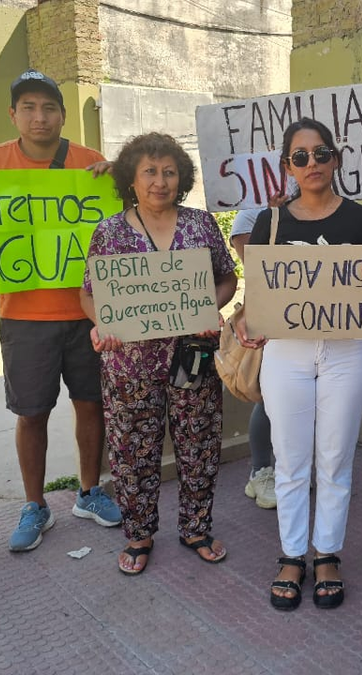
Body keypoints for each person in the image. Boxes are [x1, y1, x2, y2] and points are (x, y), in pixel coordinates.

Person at [0, 69, 122, 552]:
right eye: (29, 107)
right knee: (32, 413)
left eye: (48, 108)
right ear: (13, 114)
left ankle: (89, 491)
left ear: (64, 116)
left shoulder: (92, 164)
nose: (39, 116)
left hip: (89, 312)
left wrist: (118, 182)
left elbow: (122, 224)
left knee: (92, 405)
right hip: (24, 317)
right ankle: (34, 505)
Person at [237, 118, 362, 610]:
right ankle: (292, 554)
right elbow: (257, 296)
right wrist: (245, 318)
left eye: (321, 153)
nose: (312, 164)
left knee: (336, 459)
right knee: (291, 458)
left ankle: (328, 555)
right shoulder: (270, 222)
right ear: (287, 166)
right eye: (300, 157)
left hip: (345, 349)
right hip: (287, 351)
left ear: (336, 159)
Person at [79, 132, 238, 574]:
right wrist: (102, 324)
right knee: (133, 452)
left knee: (199, 446)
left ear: (181, 178)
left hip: (193, 358)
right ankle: (139, 534)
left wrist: (213, 306)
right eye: (149, 171)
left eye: (169, 172)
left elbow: (226, 278)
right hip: (129, 366)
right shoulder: (108, 232)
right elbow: (88, 294)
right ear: (131, 177)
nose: (159, 181)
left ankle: (196, 527)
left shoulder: (200, 224)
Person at [229, 205, 279, 510]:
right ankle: (260, 471)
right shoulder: (249, 217)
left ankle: (288, 469)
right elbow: (257, 268)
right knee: (268, 397)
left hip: (314, 318)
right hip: (271, 314)